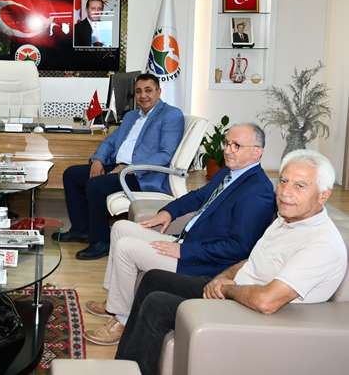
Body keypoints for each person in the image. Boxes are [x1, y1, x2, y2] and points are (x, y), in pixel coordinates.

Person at [115, 149, 347, 375]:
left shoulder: (321, 244)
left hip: (259, 315)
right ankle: (125, 367)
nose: (286, 192)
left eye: (300, 186)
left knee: (157, 304)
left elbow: (267, 301)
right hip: (240, 293)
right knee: (154, 278)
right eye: (284, 181)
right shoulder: (287, 219)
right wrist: (224, 277)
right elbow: (254, 259)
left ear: (323, 195)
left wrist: (228, 289)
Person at [83, 123, 275, 345]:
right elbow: (197, 196)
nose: (228, 150)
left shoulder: (257, 191)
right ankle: (114, 302)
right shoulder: (229, 173)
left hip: (201, 263)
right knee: (120, 228)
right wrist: (168, 212)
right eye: (227, 143)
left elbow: (239, 248)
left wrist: (185, 251)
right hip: (185, 242)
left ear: (256, 152)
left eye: (236, 146)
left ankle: (123, 321)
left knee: (126, 248)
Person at [54, 73, 184, 260]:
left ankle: (101, 242)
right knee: (72, 174)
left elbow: (165, 154)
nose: (143, 95)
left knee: (96, 185)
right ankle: (81, 230)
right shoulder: (131, 116)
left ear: (159, 91)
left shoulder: (171, 115)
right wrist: (98, 160)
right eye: (138, 91)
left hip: (142, 175)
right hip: (118, 167)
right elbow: (110, 141)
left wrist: (129, 168)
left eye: (148, 90)